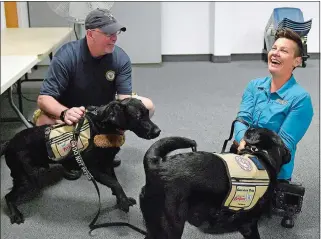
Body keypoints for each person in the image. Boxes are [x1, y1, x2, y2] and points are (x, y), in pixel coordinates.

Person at [33, 8, 155, 179]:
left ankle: (104, 148)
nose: (115, 37)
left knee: (146, 106)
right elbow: (44, 98)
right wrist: (64, 112)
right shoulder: (67, 55)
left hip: (101, 112)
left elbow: (125, 101)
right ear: (90, 34)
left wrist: (119, 121)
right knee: (43, 120)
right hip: (71, 111)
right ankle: (69, 159)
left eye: (116, 32)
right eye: (108, 33)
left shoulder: (121, 58)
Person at [232, 28, 314, 182]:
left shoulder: (301, 100)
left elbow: (282, 145)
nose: (275, 53)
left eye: (283, 50)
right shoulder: (254, 86)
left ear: (297, 61)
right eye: (274, 48)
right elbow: (242, 120)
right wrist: (242, 140)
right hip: (242, 160)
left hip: (272, 170)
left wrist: (246, 146)